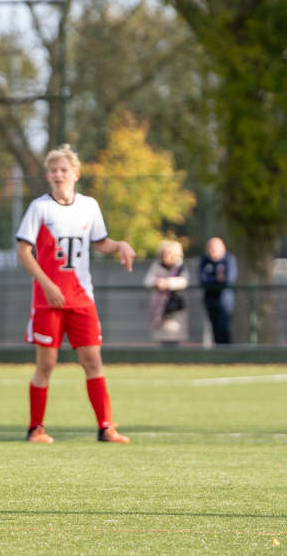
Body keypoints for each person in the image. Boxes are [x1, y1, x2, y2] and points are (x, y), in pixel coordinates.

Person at [16, 144, 135, 444]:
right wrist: (47, 284)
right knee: (46, 364)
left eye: (64, 170)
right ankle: (35, 428)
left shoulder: (89, 206)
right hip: (48, 301)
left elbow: (100, 242)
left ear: (76, 175)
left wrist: (120, 245)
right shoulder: (39, 208)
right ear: (48, 175)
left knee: (93, 361)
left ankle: (106, 427)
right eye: (53, 170)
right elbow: (23, 250)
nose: (58, 175)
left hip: (82, 299)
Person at [143, 240, 189, 345]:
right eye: (164, 252)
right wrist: (157, 282)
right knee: (162, 337)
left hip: (174, 307)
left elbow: (184, 281)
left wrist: (167, 283)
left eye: (169, 252)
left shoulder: (180, 266)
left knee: (174, 336)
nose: (166, 255)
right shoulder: (156, 266)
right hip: (160, 308)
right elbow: (147, 281)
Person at [199, 237, 237, 345]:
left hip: (225, 302)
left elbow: (229, 280)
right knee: (215, 331)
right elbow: (203, 280)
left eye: (215, 247)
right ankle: (219, 357)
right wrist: (217, 279)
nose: (212, 250)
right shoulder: (204, 260)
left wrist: (215, 280)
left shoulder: (229, 259)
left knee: (224, 328)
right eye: (210, 247)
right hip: (210, 301)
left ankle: (228, 357)